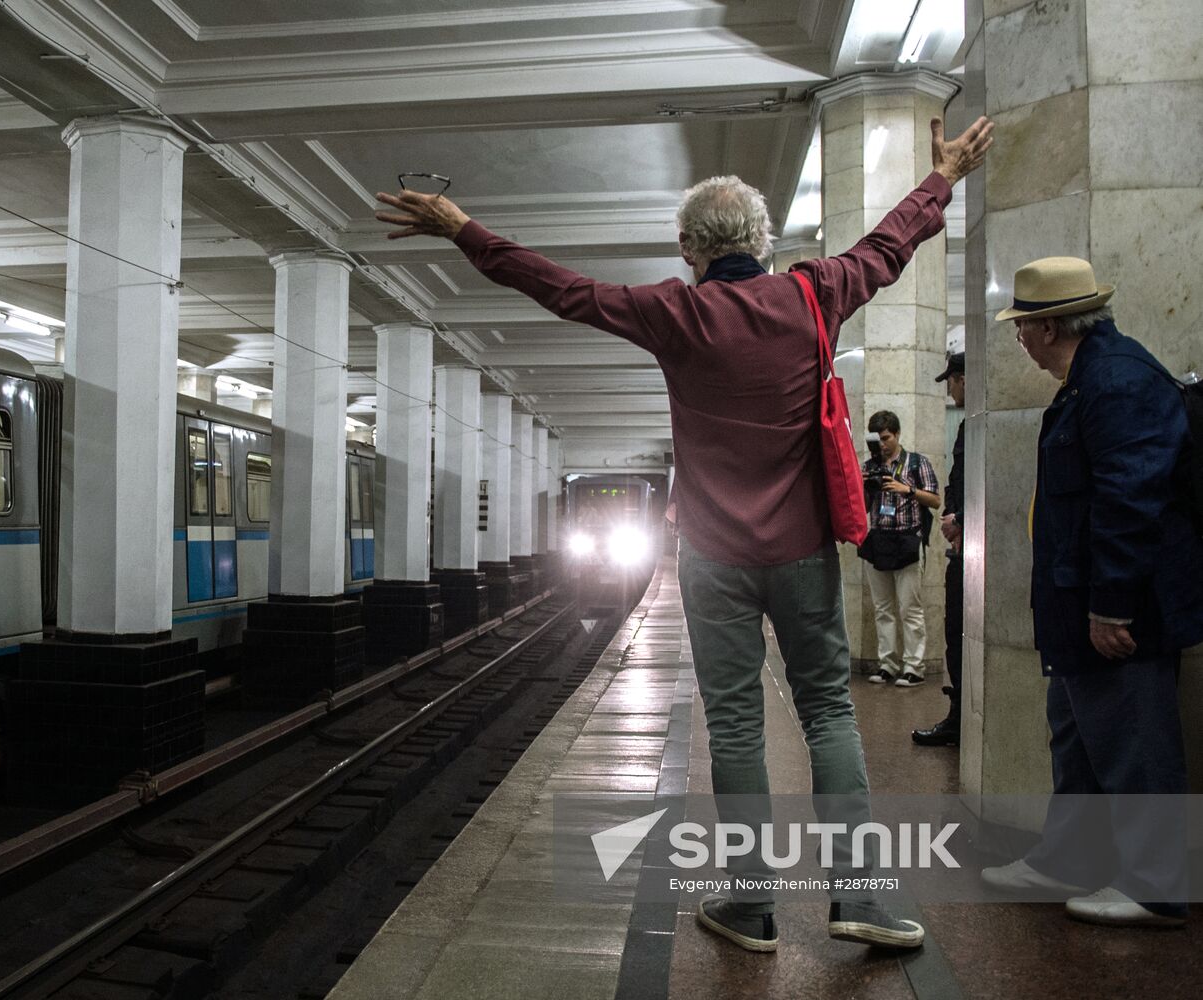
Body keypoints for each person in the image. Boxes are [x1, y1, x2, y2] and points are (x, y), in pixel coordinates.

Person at [378, 115, 995, 952]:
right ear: (764, 240)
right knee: (828, 714)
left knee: (736, 724)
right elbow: (890, 245)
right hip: (803, 552)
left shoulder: (673, 312)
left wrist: (464, 230)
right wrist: (943, 178)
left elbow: (560, 289)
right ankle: (857, 899)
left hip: (712, 558)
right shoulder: (816, 290)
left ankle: (752, 908)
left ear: (687, 248)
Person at [979, 257, 1203, 927]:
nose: (1019, 338)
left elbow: (1130, 502)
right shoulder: (1090, 380)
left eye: (1022, 326)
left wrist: (1111, 605)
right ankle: (1067, 859)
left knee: (1137, 741)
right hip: (1079, 607)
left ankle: (1158, 887)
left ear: (1049, 327)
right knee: (1076, 740)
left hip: (1121, 610)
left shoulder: (1118, 382)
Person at [859, 411, 940, 686]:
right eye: (877, 440)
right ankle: (887, 664)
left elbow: (936, 501)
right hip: (879, 539)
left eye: (886, 438)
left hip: (907, 540)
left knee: (910, 608)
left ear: (897, 434)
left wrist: (907, 490)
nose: (882, 445)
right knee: (883, 608)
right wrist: (863, 485)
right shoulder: (870, 466)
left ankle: (914, 667)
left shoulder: (917, 463)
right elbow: (859, 504)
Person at [914, 353, 965, 745]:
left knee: (959, 635)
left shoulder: (976, 426)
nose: (949, 389)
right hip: (961, 551)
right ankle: (959, 715)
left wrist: (959, 519)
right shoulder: (967, 426)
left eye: (951, 381)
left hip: (969, 553)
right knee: (955, 637)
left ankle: (962, 719)